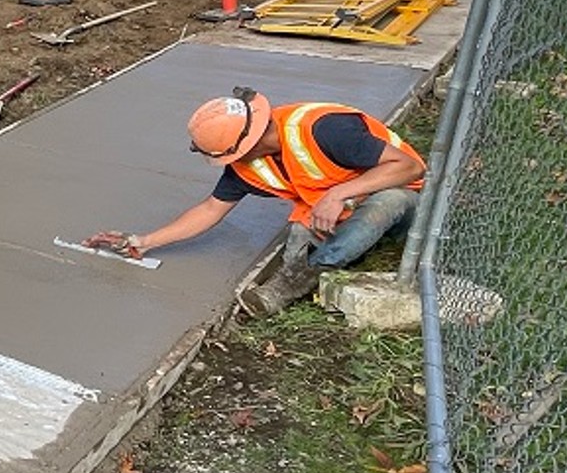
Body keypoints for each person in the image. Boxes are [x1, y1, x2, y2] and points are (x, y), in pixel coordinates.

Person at [86, 87, 427, 315]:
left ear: (244, 145)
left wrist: (338, 195)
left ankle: (284, 289)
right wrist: (143, 242)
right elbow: (210, 209)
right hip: (333, 202)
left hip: (401, 190)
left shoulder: (325, 129)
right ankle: (309, 266)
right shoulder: (247, 165)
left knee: (381, 210)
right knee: (297, 247)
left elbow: (409, 166)